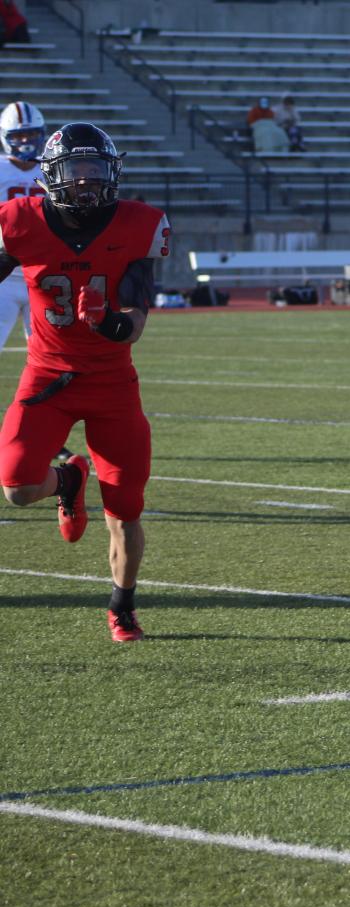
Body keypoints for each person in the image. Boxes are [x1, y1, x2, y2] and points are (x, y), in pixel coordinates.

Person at [0, 123, 171, 642]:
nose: (87, 183)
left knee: (125, 507)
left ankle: (122, 606)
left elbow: (134, 319)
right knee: (17, 487)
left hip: (112, 384)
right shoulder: (17, 221)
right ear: (53, 177)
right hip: (48, 375)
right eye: (76, 172)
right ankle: (69, 481)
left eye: (96, 171)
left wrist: (110, 323)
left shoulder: (140, 223)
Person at [0, 101, 45, 353]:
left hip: (43, 274)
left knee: (48, 355)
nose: (26, 140)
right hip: (3, 275)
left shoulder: (54, 169)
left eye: (32, 133)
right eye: (18, 135)